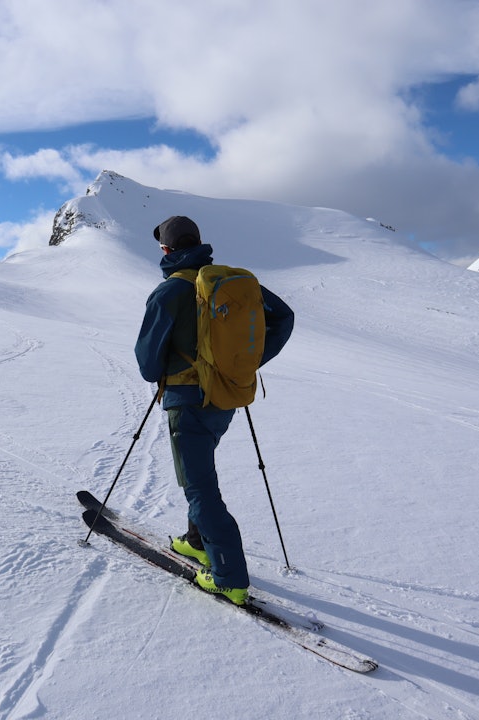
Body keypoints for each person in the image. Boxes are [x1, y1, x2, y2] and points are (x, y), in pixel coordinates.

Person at [134, 215, 294, 605]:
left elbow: (148, 366)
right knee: (201, 472)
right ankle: (196, 542)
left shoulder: (169, 292)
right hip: (225, 398)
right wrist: (242, 364)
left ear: (167, 250)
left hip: (187, 401)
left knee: (199, 488)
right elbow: (283, 317)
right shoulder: (227, 282)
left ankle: (229, 577)